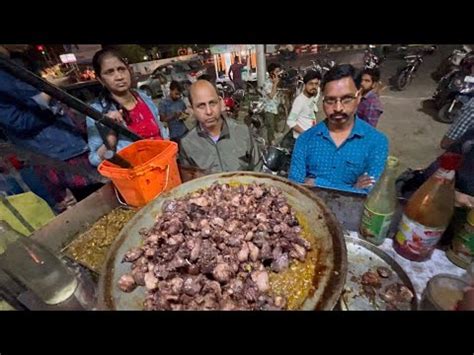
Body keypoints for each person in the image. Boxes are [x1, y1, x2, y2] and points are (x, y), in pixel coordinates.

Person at [0, 44, 102, 212]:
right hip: (56, 161)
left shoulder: (16, 63)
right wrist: (45, 96)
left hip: (74, 148)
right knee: (90, 213)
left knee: (104, 201)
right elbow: (19, 122)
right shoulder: (4, 74)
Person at [288, 64, 389, 194]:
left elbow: (372, 193)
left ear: (358, 97)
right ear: (323, 101)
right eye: (330, 100)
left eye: (346, 99)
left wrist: (317, 182)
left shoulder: (377, 142)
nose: (338, 108)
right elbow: (295, 188)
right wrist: (353, 188)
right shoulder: (305, 140)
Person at [86, 48, 168, 167]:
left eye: (121, 69)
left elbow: (161, 129)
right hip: (135, 175)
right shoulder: (97, 112)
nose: (119, 76)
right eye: (110, 72)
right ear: (100, 79)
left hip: (164, 165)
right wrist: (110, 139)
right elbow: (94, 159)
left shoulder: (143, 97)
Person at [179, 80, 261, 173]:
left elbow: (258, 170)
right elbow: (191, 183)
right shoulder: (188, 144)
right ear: (192, 109)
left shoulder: (242, 132)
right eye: (201, 106)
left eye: (212, 103)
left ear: (221, 102)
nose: (209, 111)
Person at [286, 70, 321, 139]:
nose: (314, 87)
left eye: (316, 84)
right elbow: (290, 121)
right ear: (305, 85)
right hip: (302, 139)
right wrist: (305, 133)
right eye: (311, 84)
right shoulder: (299, 101)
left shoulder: (312, 96)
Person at [263, 63, 283, 144]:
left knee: (274, 125)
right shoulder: (267, 83)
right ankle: (271, 143)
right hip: (269, 109)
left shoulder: (274, 81)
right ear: (272, 73)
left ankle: (273, 139)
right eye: (277, 71)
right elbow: (271, 96)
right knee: (270, 127)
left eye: (279, 71)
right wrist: (275, 84)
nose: (279, 73)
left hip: (275, 107)